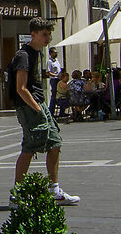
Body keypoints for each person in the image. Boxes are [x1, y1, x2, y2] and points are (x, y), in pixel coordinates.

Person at [9, 18, 78, 203]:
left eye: (49, 34)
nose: (48, 38)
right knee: (29, 148)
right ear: (34, 35)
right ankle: (17, 194)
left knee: (54, 143)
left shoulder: (37, 54)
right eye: (44, 34)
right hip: (30, 107)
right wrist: (37, 108)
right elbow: (21, 87)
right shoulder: (24, 55)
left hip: (39, 104)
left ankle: (53, 189)